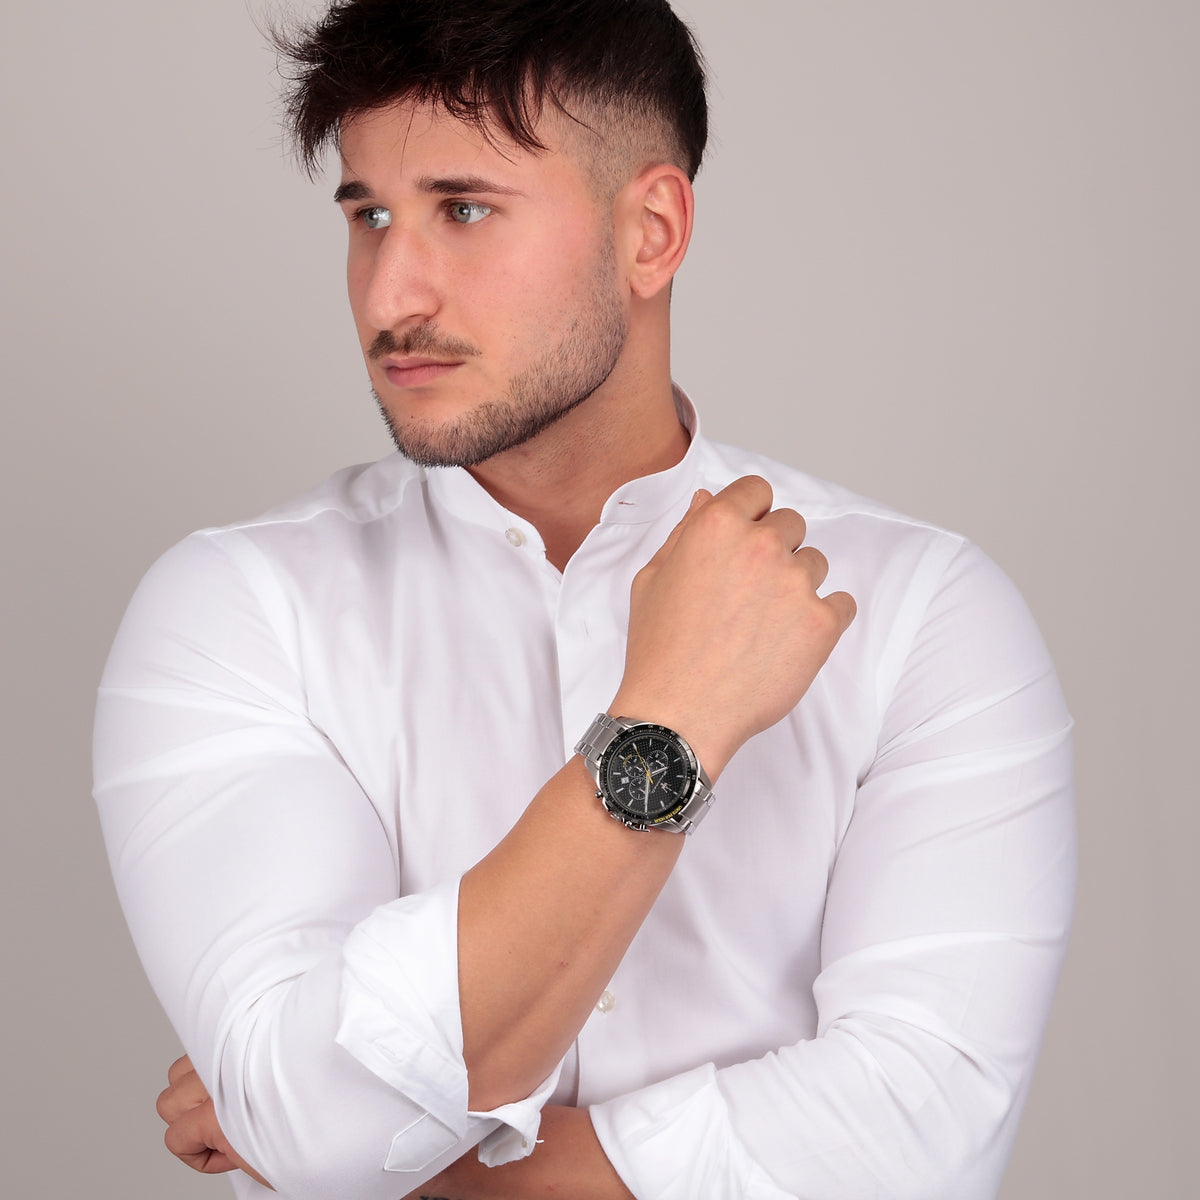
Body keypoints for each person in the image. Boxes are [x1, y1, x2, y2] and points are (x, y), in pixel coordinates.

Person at [93, 1, 1076, 1197]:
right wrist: (671, 721)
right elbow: (319, 1124)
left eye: (464, 210)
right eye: (369, 216)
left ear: (650, 233)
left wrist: (372, 1155)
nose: (390, 294)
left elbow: (918, 1142)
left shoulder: (923, 614)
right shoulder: (240, 611)